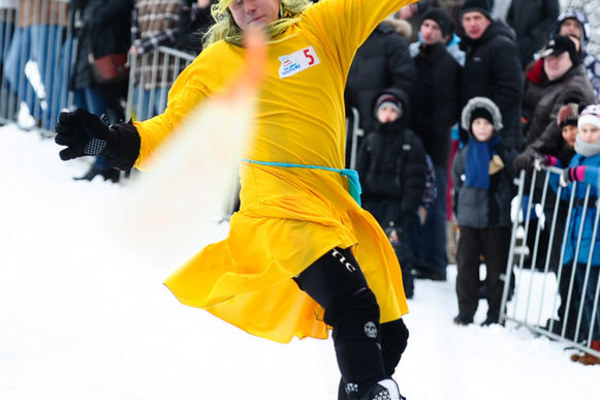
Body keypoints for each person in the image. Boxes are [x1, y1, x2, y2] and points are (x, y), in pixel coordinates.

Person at [54, 1, 416, 399]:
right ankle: (371, 392)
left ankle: (367, 390)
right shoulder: (218, 61)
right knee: (353, 302)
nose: (248, 7)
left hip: (333, 205)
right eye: (236, 2)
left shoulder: (323, 29)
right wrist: (112, 141)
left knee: (389, 331)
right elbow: (171, 130)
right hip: (278, 212)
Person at [357, 89, 428, 300]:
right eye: (384, 109)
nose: (388, 114)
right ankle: (366, 285)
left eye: (392, 110)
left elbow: (416, 175)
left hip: (396, 203)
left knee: (396, 245)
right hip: (371, 201)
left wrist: (409, 205)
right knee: (367, 245)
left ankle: (402, 288)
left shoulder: (409, 140)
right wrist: (358, 198)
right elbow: (360, 171)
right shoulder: (370, 139)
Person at [452, 97, 517, 326]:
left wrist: (501, 199)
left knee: (496, 270)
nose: (481, 128)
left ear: (494, 126)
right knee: (466, 268)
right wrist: (460, 210)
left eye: (486, 123)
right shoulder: (463, 154)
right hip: (469, 219)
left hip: (496, 220)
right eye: (477, 123)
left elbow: (513, 181)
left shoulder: (503, 152)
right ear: (470, 125)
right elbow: (457, 184)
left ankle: (495, 314)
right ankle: (465, 311)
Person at [406, 6, 460, 282]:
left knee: (435, 203)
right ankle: (415, 256)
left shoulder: (449, 65)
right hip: (413, 142)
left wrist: (426, 129)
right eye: (425, 25)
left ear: (444, 35)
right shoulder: (414, 57)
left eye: (434, 28)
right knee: (412, 199)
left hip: (434, 144)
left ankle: (435, 261)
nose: (428, 31)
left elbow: (449, 109)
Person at [543, 104, 600, 365]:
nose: (587, 135)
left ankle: (596, 344)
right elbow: (567, 193)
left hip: (595, 234)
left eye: (593, 130)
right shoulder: (578, 157)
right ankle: (592, 342)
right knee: (584, 292)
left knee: (595, 294)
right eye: (584, 130)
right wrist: (556, 170)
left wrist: (581, 174)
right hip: (578, 234)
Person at [68, 0, 133, 182]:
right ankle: (101, 160)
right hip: (86, 64)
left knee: (100, 116)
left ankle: (105, 165)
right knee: (84, 111)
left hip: (104, 65)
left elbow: (96, 18)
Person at [344, 10, 416, 163]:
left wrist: (386, 107)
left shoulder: (393, 41)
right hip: (349, 125)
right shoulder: (349, 38)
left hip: (380, 127)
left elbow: (405, 82)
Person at [458, 0, 524, 151]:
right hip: (476, 135)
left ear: (488, 20)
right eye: (467, 19)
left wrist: (488, 121)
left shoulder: (502, 46)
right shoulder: (471, 47)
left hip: (499, 137)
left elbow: (512, 90)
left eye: (477, 18)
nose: (472, 24)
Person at [548, 9, 600, 102]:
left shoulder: (593, 64)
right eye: (567, 24)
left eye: (577, 26)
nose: (571, 28)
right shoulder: (544, 57)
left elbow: (595, 97)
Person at [506, 0, 559, 69]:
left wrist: (536, 32)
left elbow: (553, 16)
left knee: (527, 71)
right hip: (515, 41)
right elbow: (509, 15)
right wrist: (512, 31)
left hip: (534, 45)